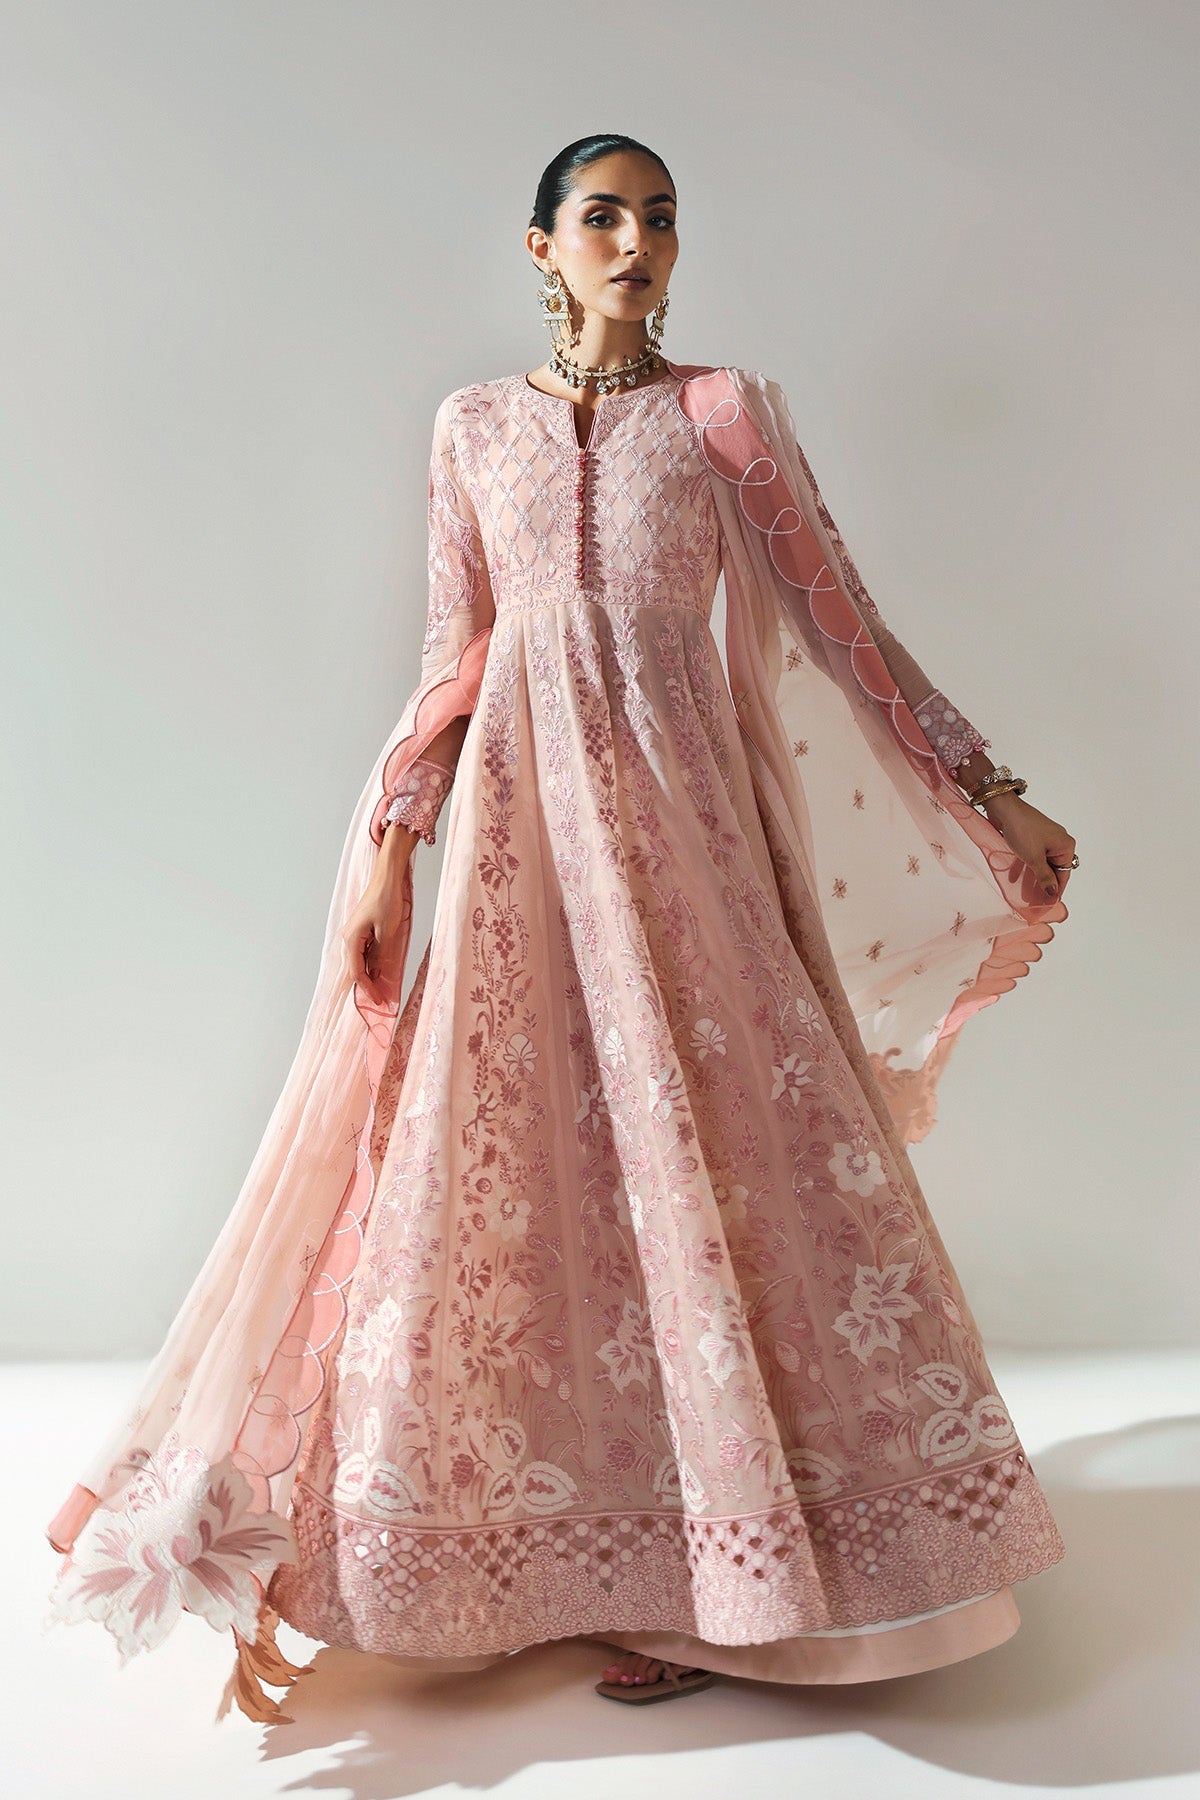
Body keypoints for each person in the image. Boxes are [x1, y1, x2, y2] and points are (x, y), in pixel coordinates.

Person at [45, 133, 1078, 1722]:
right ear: (542, 246)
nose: (637, 242)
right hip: (518, 848)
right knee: (522, 1171)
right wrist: (392, 846)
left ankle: (741, 1575)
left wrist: (988, 790)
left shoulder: (722, 416)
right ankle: (530, 1559)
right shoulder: (473, 427)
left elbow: (843, 622)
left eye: (661, 218)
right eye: (604, 216)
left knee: (721, 1164)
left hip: (689, 844)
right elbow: (454, 653)